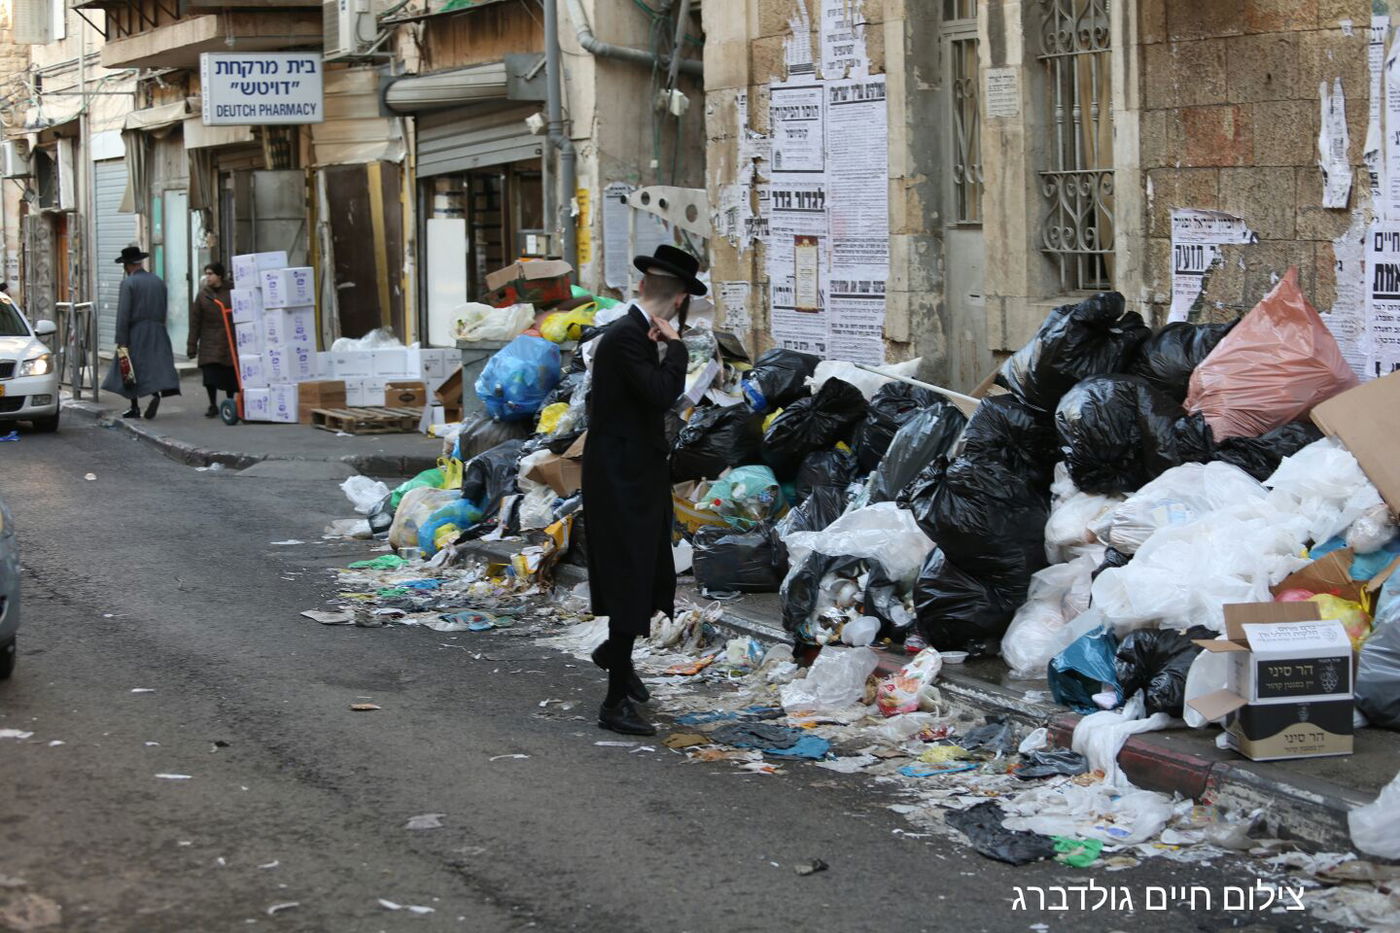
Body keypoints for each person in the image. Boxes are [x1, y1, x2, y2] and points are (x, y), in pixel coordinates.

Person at [583, 244, 705, 735]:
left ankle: (618, 657)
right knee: (629, 573)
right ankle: (614, 701)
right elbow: (660, 395)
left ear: (641, 287)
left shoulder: (635, 332)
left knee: (648, 570)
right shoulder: (625, 338)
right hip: (619, 475)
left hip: (637, 469)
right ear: (677, 301)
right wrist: (676, 349)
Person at [101, 245, 180, 419]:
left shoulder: (128, 283)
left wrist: (121, 339)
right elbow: (164, 307)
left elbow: (124, 313)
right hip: (157, 329)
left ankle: (134, 406)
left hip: (136, 331)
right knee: (154, 366)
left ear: (127, 265)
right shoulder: (158, 281)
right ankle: (155, 394)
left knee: (129, 369)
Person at [187, 262, 237, 417]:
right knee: (210, 375)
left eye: (210, 274)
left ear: (219, 275)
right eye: (206, 274)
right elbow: (195, 322)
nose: (207, 277)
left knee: (230, 373)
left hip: (229, 339)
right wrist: (191, 345)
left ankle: (231, 401)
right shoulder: (203, 295)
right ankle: (212, 404)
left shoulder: (232, 292)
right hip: (209, 340)